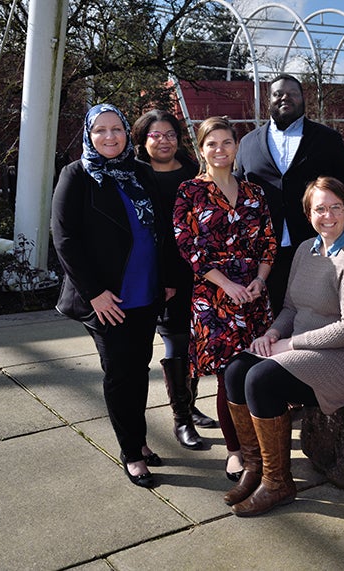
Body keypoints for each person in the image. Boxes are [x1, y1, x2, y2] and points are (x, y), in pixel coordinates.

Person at [221, 176, 344, 517]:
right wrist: (271, 334)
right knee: (236, 370)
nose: (328, 216)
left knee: (261, 379)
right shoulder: (304, 250)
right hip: (305, 348)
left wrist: (290, 344)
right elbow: (292, 307)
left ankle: (278, 482)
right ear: (308, 214)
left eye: (336, 207)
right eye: (319, 209)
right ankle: (255, 467)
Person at [52, 103, 176, 488]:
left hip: (146, 289)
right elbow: (65, 239)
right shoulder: (76, 174)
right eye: (100, 130)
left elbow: (163, 227)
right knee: (121, 374)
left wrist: (168, 278)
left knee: (139, 369)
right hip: (107, 299)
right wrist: (95, 295)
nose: (109, 137)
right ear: (89, 135)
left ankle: (137, 440)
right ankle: (131, 452)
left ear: (126, 132)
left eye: (116, 129)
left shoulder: (140, 171)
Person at [173, 116, 277, 481]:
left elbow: (268, 239)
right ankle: (236, 451)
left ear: (237, 146)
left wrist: (261, 281)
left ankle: (263, 446)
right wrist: (225, 285)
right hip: (213, 299)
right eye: (211, 143)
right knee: (228, 376)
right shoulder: (190, 191)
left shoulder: (253, 192)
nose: (220, 150)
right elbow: (187, 246)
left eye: (227, 142)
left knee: (258, 371)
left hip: (253, 296)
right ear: (201, 150)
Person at [234, 73, 344, 314]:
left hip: (317, 244)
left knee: (319, 312)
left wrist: (343, 237)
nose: (285, 98)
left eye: (293, 93)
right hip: (265, 253)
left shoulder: (328, 139)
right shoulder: (248, 143)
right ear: (268, 100)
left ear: (303, 99)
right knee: (273, 316)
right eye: (278, 93)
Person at [132, 109, 217, 451]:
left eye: (169, 134)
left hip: (198, 270)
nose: (163, 140)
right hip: (159, 273)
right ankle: (181, 418)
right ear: (142, 139)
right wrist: (162, 276)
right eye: (155, 135)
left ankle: (191, 405)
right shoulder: (135, 174)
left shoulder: (194, 172)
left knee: (196, 341)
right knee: (176, 343)